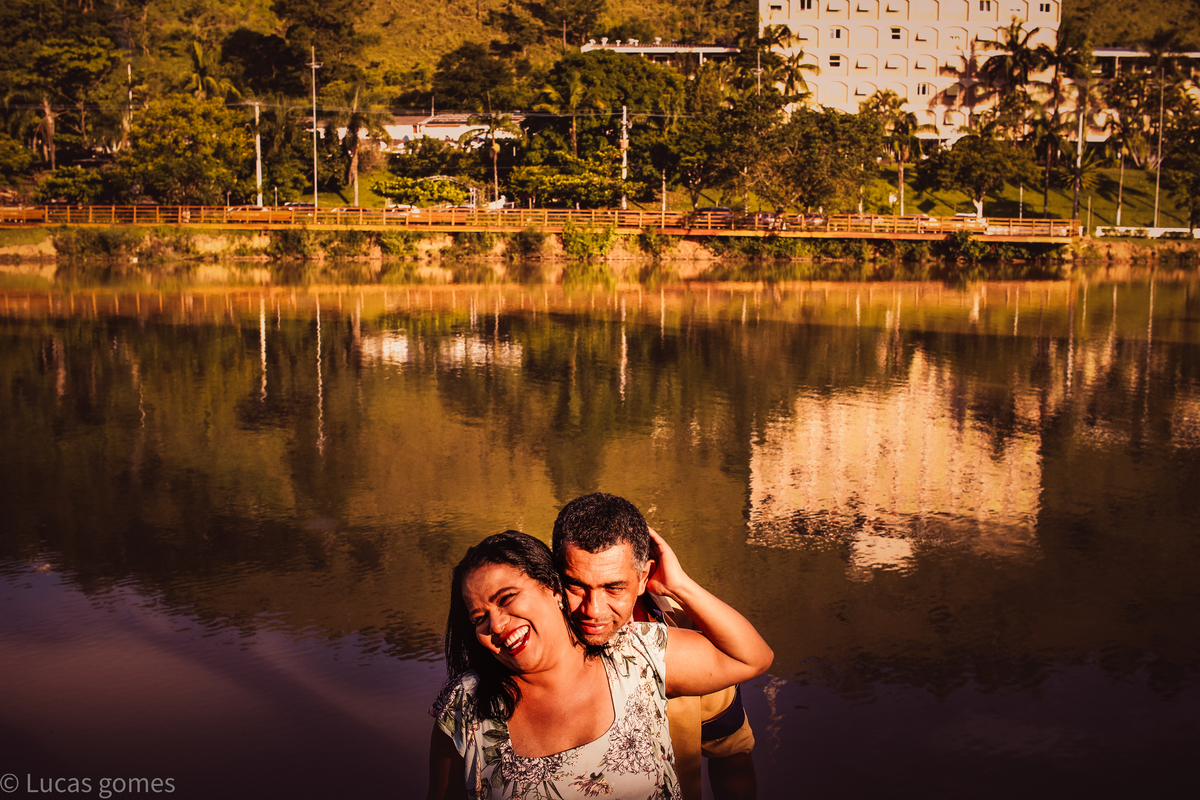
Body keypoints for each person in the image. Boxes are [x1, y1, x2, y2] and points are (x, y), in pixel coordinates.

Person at [427, 531, 772, 800]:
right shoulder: (465, 707)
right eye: (479, 618)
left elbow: (751, 657)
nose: (498, 625)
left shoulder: (634, 653)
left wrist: (677, 585)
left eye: (507, 599)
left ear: (552, 589)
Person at [552, 493, 760, 800]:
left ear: (643, 576)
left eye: (614, 587)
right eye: (575, 585)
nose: (593, 610)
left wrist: (679, 585)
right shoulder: (535, 640)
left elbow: (730, 758)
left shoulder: (691, 636)